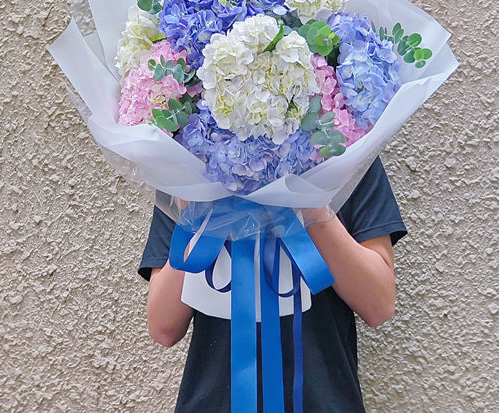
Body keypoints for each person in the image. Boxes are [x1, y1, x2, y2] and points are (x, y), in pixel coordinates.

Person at [139, 157, 407, 413]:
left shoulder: (345, 148)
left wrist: (311, 207)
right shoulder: (188, 159)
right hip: (215, 399)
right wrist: (197, 221)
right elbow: (163, 326)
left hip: (322, 397)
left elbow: (379, 305)